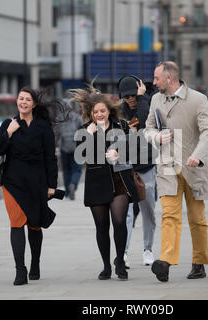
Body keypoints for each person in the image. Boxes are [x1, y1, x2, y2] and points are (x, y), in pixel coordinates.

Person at [144, 61, 208, 282]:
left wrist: (198, 154)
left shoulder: (198, 99)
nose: (154, 83)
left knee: (197, 218)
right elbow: (148, 128)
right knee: (169, 215)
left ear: (169, 79)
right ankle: (165, 261)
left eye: (157, 78)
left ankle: (199, 262)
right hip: (167, 167)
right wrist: (156, 137)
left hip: (194, 168)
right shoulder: (156, 99)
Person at [0, 86, 65, 286]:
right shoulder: (9, 123)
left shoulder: (43, 127)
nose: (23, 102)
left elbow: (50, 158)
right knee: (16, 223)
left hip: (37, 182)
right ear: (17, 101)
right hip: (13, 182)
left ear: (34, 104)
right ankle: (20, 270)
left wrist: (51, 185)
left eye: (27, 99)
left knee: (34, 225)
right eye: (20, 98)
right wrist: (8, 133)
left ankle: (35, 263)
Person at [71, 86, 140, 281]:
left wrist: (120, 154)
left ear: (109, 110)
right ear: (90, 113)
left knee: (119, 221)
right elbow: (81, 157)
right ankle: (105, 266)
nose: (99, 114)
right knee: (101, 227)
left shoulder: (121, 126)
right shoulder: (84, 130)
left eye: (102, 110)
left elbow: (136, 151)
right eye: (95, 112)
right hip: (97, 182)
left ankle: (119, 261)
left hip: (120, 181)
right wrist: (91, 135)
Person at [117, 75, 157, 267]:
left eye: (133, 95)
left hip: (147, 165)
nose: (131, 99)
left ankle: (148, 249)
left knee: (148, 209)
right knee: (125, 212)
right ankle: (123, 251)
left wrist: (142, 98)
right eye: (127, 97)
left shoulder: (148, 103)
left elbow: (144, 120)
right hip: (126, 167)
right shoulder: (119, 112)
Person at [56, 100, 83, 200]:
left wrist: (57, 145)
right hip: (76, 146)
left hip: (64, 146)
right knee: (77, 169)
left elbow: (57, 133)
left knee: (66, 170)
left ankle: (67, 193)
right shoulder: (77, 118)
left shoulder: (59, 118)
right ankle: (73, 184)